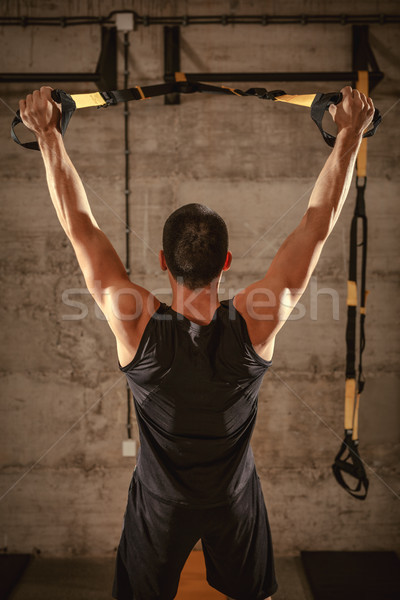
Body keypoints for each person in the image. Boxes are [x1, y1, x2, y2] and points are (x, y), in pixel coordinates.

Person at [19, 85, 374, 600]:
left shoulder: (135, 323)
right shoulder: (257, 322)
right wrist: (349, 135)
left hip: (160, 503)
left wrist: (48, 134)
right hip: (233, 498)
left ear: (163, 262)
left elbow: (80, 227)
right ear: (226, 263)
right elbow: (316, 226)